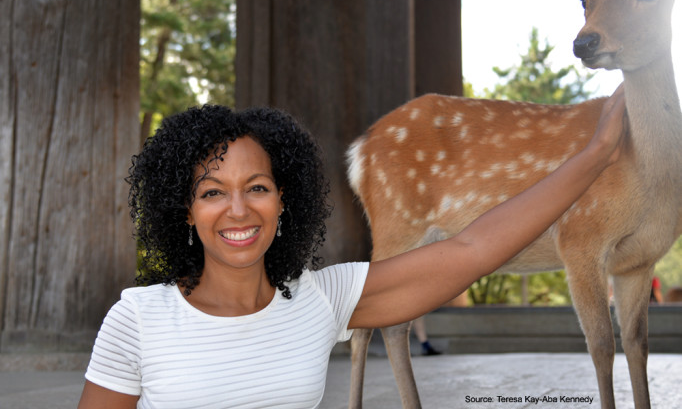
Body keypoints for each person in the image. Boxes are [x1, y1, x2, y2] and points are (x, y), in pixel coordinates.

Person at [77, 92, 626, 409]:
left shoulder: (324, 298)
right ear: (185, 210)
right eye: (212, 192)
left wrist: (597, 152)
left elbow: (473, 247)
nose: (238, 210)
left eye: (258, 188)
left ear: (283, 201)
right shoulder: (138, 318)